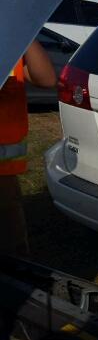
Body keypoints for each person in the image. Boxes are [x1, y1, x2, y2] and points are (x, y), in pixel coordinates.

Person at [0, 40, 56, 256]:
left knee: (8, 226)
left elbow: (47, 79)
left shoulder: (13, 43)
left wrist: (28, 34)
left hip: (3, 168)